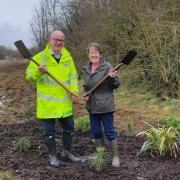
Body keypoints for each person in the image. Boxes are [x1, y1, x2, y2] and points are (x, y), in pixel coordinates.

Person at [26, 30, 81, 167]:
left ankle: (67, 153)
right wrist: (39, 71)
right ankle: (53, 156)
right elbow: (29, 76)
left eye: (61, 40)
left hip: (64, 103)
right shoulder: (39, 58)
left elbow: (73, 77)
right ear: (50, 40)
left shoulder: (68, 58)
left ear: (64, 42)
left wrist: (74, 90)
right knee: (49, 132)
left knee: (70, 128)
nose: (58, 42)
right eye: (56, 39)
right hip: (48, 104)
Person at [83, 42, 120, 168]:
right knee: (96, 132)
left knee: (109, 132)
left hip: (105, 105)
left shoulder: (107, 67)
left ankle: (115, 156)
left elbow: (115, 84)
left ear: (100, 54)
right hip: (92, 106)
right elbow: (86, 86)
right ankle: (100, 154)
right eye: (91, 53)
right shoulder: (86, 69)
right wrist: (85, 94)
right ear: (88, 55)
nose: (93, 55)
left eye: (96, 52)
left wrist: (112, 78)